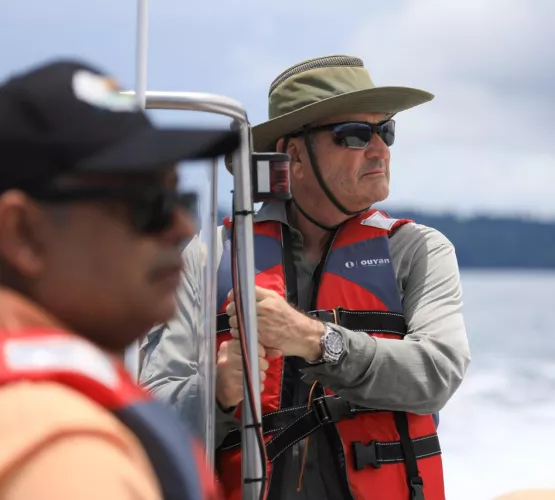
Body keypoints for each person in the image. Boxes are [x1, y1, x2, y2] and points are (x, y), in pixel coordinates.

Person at [218, 54, 472, 500]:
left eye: (385, 131)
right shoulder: (211, 258)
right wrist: (218, 392)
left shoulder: (418, 250)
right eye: (354, 135)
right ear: (294, 155)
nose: (380, 150)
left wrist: (317, 341)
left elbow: (437, 373)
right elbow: (154, 404)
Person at [0, 58, 240, 500]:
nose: (183, 227)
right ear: (24, 234)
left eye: (179, 198)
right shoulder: (67, 458)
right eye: (148, 204)